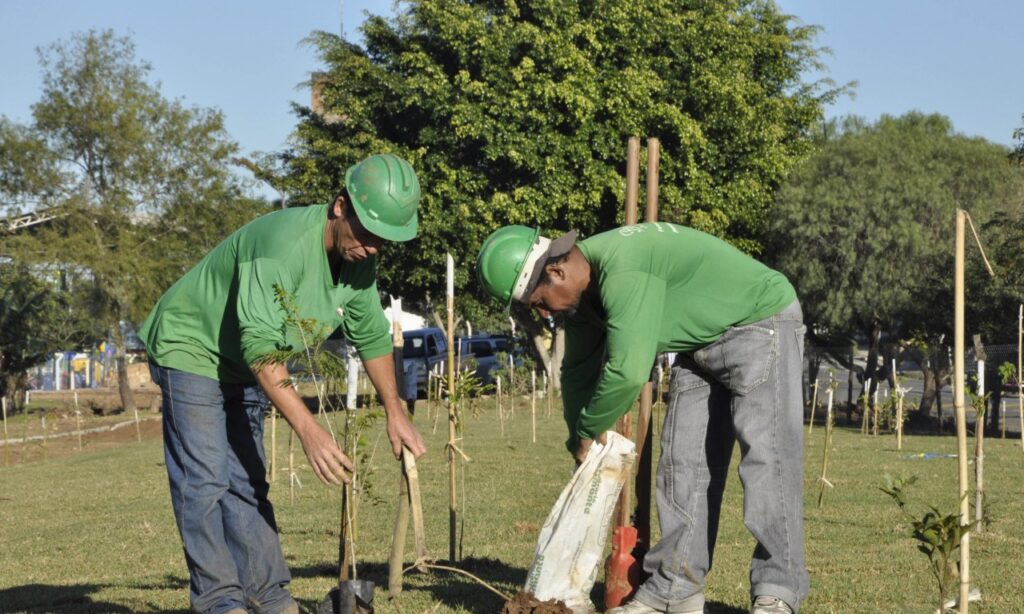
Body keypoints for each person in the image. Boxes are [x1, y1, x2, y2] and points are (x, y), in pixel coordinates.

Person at [140, 153, 427, 614]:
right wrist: (310, 431)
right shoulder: (282, 247)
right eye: (370, 233)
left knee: (248, 482)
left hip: (243, 365)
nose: (374, 247)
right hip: (191, 348)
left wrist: (396, 411)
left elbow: (371, 333)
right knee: (207, 479)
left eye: (385, 240)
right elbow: (263, 351)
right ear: (339, 207)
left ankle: (269, 596)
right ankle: (219, 602)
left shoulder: (357, 259)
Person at [476, 223, 809, 614]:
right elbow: (578, 371)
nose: (544, 312)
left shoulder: (623, 268)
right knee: (681, 465)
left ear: (556, 271)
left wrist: (589, 427)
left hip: (760, 321)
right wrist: (577, 441)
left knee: (768, 460)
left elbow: (628, 372)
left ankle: (777, 591)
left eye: (539, 301)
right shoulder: (583, 300)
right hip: (699, 343)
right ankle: (673, 590)